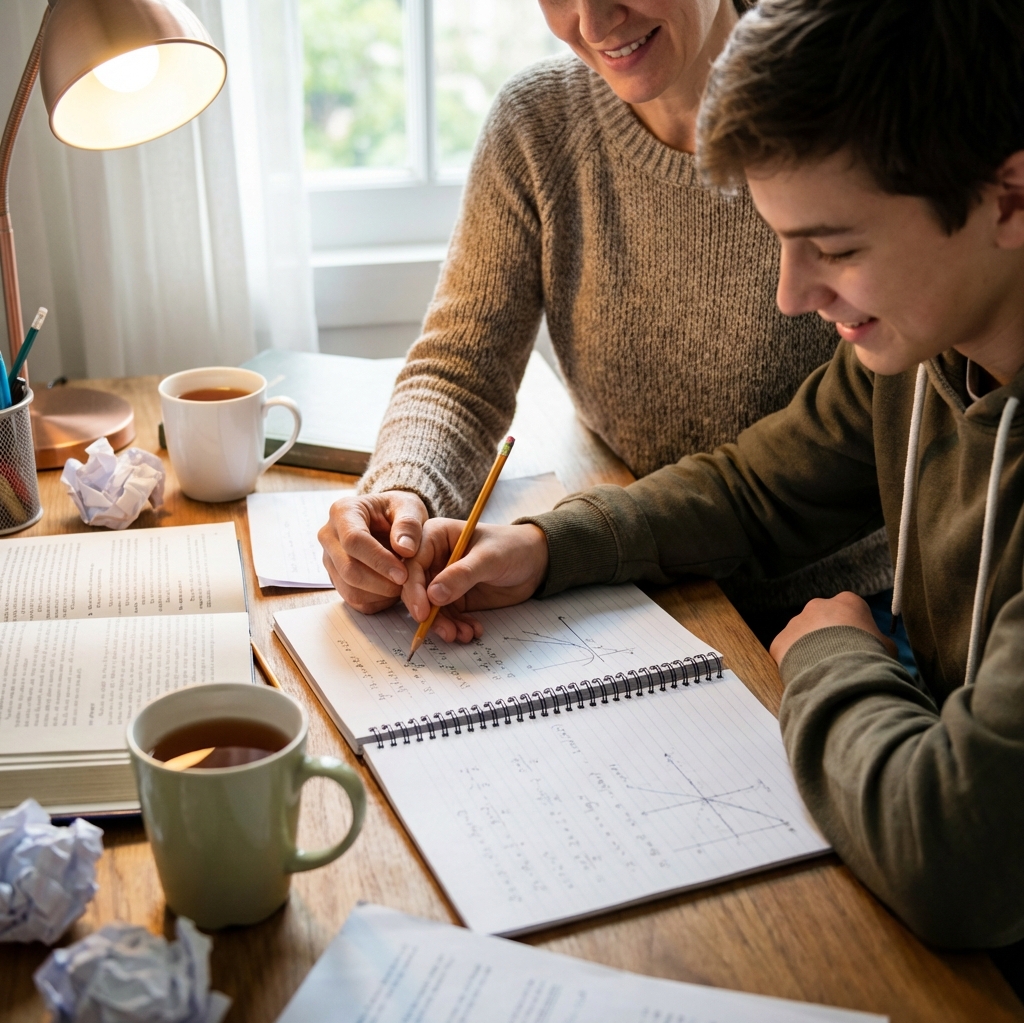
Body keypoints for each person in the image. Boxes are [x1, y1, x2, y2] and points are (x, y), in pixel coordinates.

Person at [391, 0, 1024, 951]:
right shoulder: (921, 351)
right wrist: (544, 546)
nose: (793, 295)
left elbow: (955, 864)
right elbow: (753, 489)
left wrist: (833, 653)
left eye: (836, 248)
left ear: (1009, 199)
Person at [318, 0, 894, 647]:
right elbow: (461, 369)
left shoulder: (843, 105)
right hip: (621, 570)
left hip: (836, 607)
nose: (592, 25)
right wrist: (402, 496)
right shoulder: (540, 121)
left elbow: (785, 478)